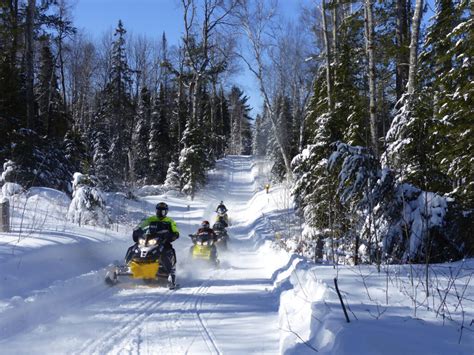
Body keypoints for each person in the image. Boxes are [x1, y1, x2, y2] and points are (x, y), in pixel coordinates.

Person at [127, 202, 179, 289]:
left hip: (163, 241)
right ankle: (127, 266)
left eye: (162, 211)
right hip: (149, 239)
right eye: (158, 211)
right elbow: (142, 225)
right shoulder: (151, 219)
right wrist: (137, 229)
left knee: (167, 251)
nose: (160, 213)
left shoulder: (169, 221)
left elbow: (175, 229)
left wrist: (174, 234)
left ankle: (170, 272)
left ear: (166, 212)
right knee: (134, 247)